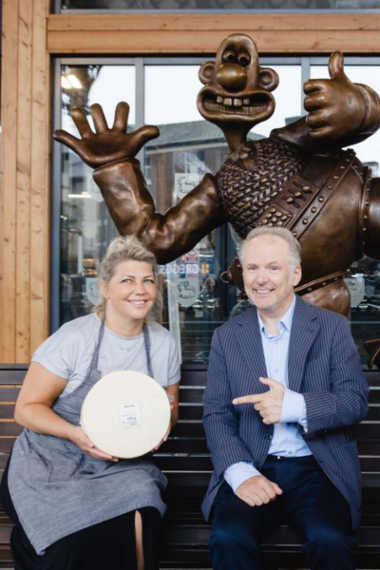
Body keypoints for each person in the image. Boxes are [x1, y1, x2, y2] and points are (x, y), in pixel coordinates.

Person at [0, 235, 180, 570]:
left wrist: (160, 427)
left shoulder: (162, 342)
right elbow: (26, 409)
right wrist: (75, 434)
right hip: (52, 461)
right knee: (70, 539)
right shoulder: (75, 338)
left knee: (142, 510)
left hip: (122, 462)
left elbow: (170, 407)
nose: (139, 290)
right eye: (127, 280)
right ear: (105, 288)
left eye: (147, 281)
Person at [202, 226, 369, 570]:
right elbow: (216, 415)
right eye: (252, 268)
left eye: (273, 268)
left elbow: (354, 400)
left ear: (295, 274)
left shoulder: (331, 327)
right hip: (253, 464)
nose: (261, 279)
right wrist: (239, 472)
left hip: (317, 468)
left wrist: (294, 406)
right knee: (228, 539)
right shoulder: (227, 337)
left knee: (330, 541)